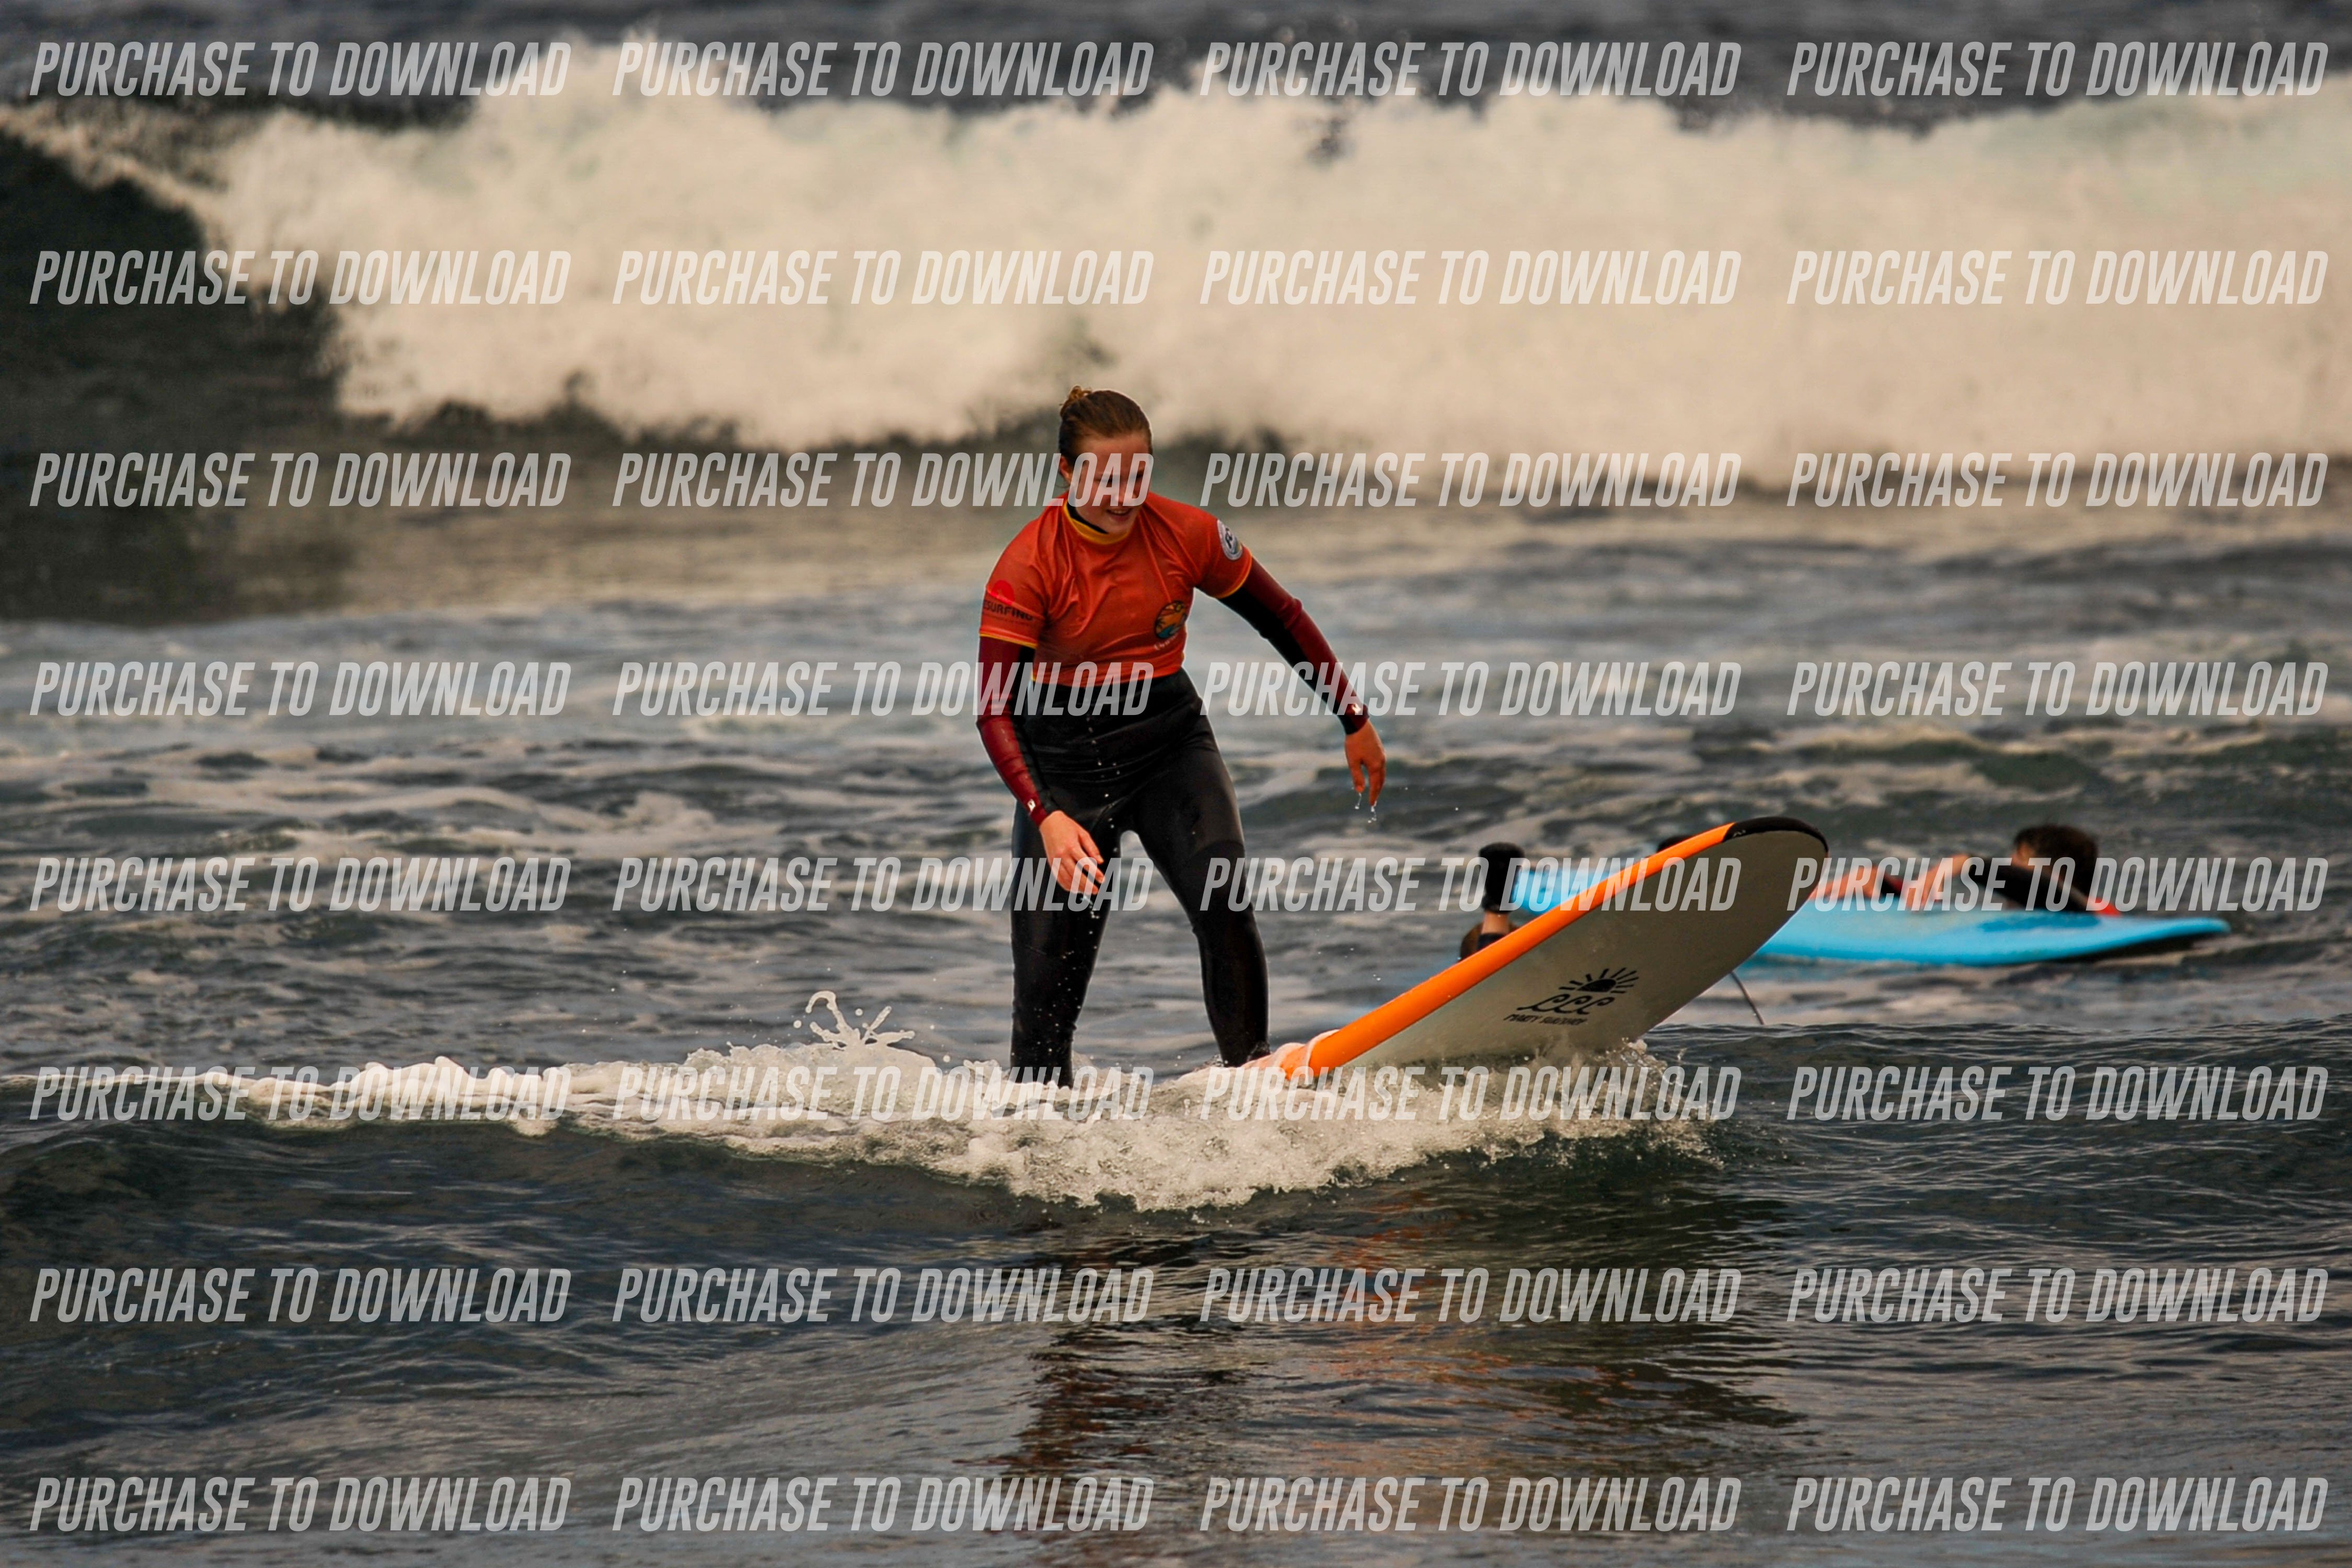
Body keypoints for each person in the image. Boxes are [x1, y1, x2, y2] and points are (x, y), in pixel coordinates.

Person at [974, 387, 1387, 1084]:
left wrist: (1353, 718)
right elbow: (994, 711)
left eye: (1137, 475)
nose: (1123, 496)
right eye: (1104, 478)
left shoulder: (1187, 534)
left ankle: (1252, 1080)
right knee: (1043, 1012)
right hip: (1064, 770)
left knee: (1224, 902)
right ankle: (1040, 1132)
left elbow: (1281, 617)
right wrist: (1046, 816)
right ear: (1067, 473)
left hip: (1169, 745)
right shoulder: (1031, 565)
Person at [1820, 823, 2114, 913]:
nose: (2009, 870)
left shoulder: (2098, 914)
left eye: (2018, 864)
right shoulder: (2018, 920)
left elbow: (2048, 894)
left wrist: (1966, 863)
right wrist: (1881, 884)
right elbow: (1940, 914)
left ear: (2058, 874)